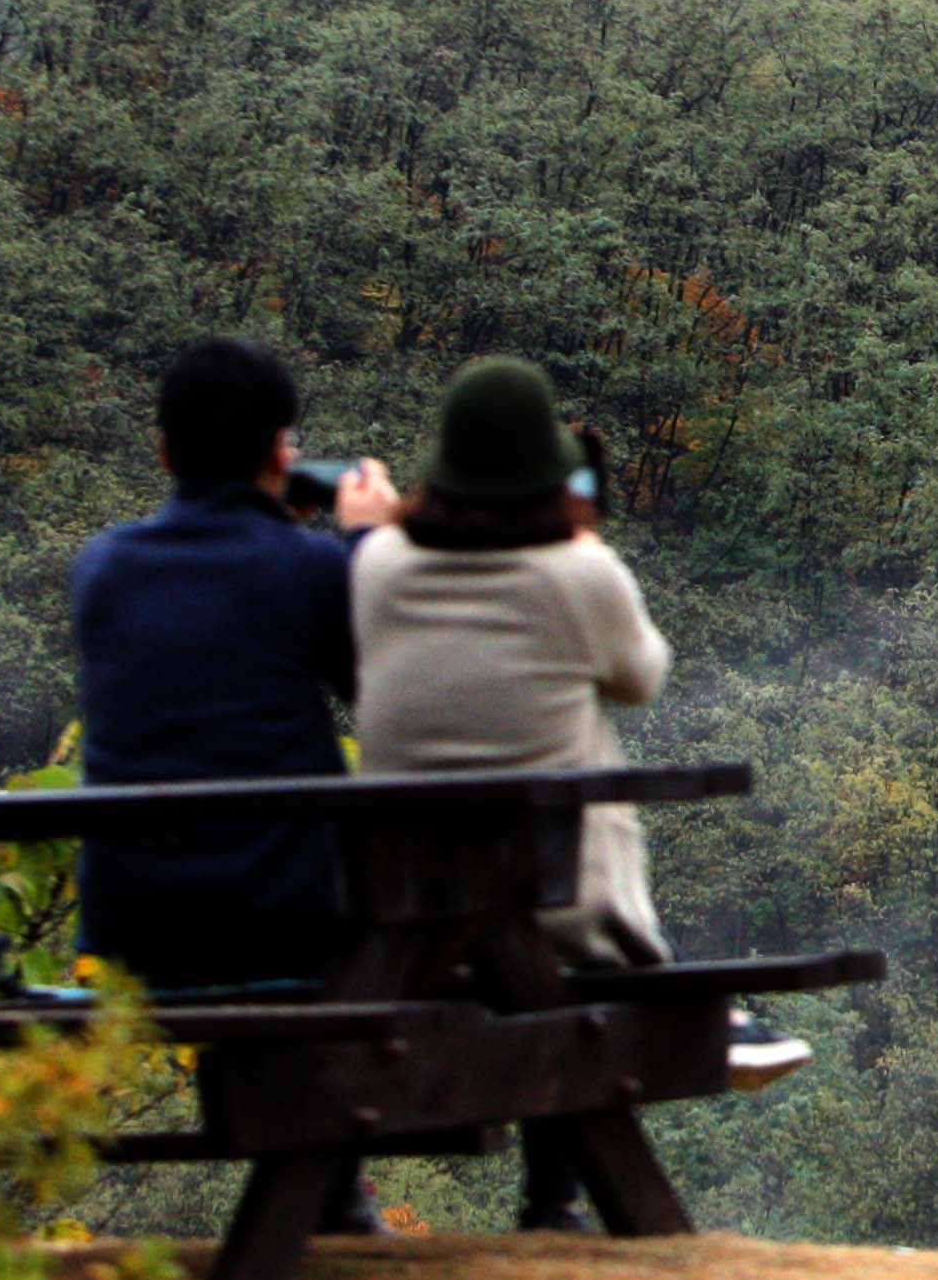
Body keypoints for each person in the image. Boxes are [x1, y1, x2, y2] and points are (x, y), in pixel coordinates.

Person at [352, 356, 806, 1232]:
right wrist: (586, 540)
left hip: (400, 918)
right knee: (550, 936)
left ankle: (558, 1200)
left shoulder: (375, 567)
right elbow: (642, 676)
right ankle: (552, 1201)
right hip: (564, 918)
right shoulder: (577, 575)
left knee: (523, 907)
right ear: (551, 477)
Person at [68, 333, 399, 1232]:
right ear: (282, 451)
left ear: (164, 450)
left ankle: (328, 1189)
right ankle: (330, 1190)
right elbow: (380, 689)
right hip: (280, 921)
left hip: (133, 927)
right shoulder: (309, 569)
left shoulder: (101, 568)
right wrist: (365, 544)